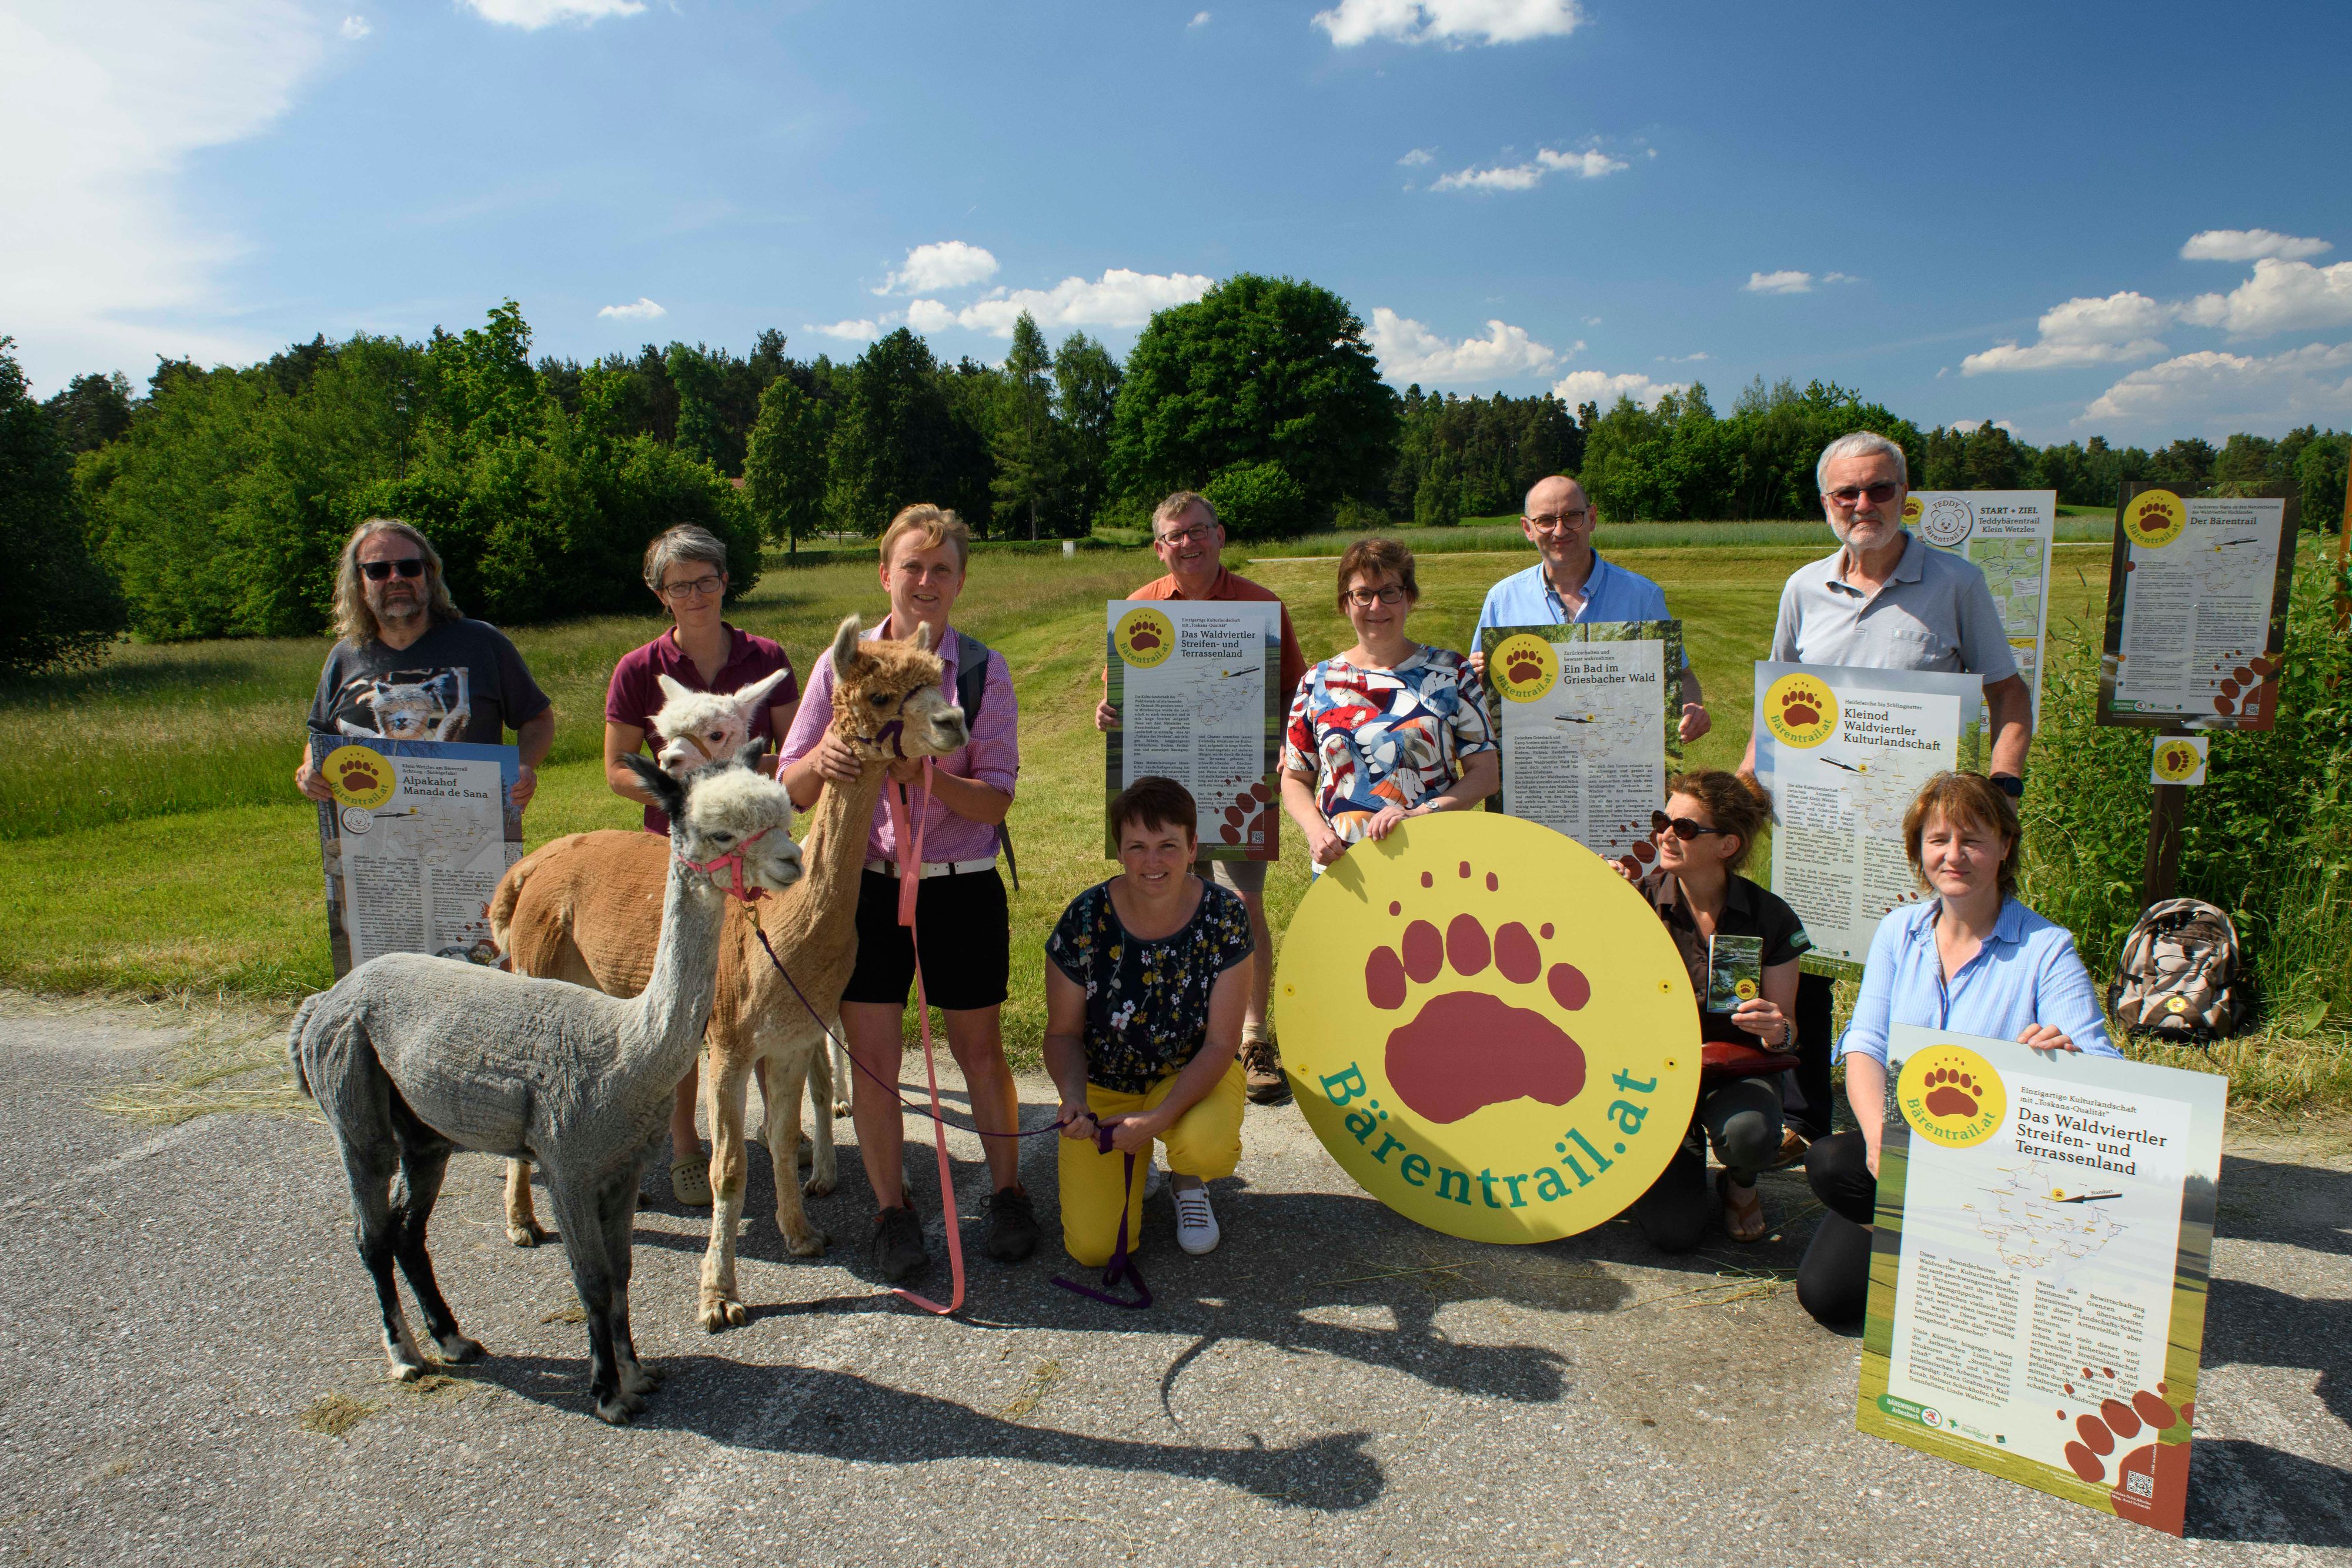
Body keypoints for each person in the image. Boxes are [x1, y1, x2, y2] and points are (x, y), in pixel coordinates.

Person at [1742, 430, 2039, 1151]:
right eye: (1847, 492)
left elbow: (2008, 693)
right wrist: (1745, 784)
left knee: (1922, 961)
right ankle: (1804, 1118)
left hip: (1921, 828)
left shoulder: (1956, 583)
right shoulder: (1803, 587)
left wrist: (2002, 785)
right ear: (1826, 503)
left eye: (1879, 489)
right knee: (1805, 964)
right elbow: (1776, 703)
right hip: (1820, 817)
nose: (1863, 504)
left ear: (1906, 496)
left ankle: (1921, 1124)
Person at [778, 504, 1031, 1279]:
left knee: (979, 1049)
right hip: (867, 886)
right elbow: (790, 787)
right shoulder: (841, 664)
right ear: (886, 572)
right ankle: (893, 1211)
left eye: (943, 568)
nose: (927, 581)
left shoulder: (982, 670)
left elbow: (996, 798)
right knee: (877, 1060)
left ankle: (1011, 1192)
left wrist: (926, 774)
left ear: (960, 580)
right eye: (913, 566)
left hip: (960, 886)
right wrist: (827, 755)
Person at [1795, 771, 2117, 1328]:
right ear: (1919, 849)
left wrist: (2067, 1053)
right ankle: (1952, 1258)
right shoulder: (1899, 931)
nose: (1954, 855)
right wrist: (1878, 1141)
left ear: (2005, 846)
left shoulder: (2046, 947)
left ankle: (1967, 1256)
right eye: (1938, 839)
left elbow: (2106, 1069)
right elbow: (1866, 1045)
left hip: (2000, 1167)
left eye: (1972, 839)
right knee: (1826, 1285)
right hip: (1912, 1147)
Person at [604, 523, 800, 1208]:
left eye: (706, 580)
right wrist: (692, 793)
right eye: (678, 584)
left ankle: (780, 1127)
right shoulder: (638, 670)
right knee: (691, 996)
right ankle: (687, 1144)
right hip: (689, 856)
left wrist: (755, 778)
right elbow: (616, 770)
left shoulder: (766, 656)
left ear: (725, 581)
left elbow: (794, 745)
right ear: (660, 594)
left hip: (757, 847)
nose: (694, 594)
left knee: (766, 984)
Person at [1094, 491, 1308, 1105]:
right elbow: (1119, 692)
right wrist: (1107, 710)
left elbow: (1296, 693)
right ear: (1159, 547)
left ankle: (1252, 1037)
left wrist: (1285, 747)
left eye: (1197, 531)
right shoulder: (1139, 609)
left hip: (1239, 778)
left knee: (1243, 901)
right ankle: (1184, 1028)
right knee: (1166, 898)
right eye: (1174, 535)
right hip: (1163, 783)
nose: (1187, 543)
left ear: (1219, 535)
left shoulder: (1261, 606)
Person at [1046, 777, 1255, 1263]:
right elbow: (1061, 1033)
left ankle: (1189, 1181)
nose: (1153, 861)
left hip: (1191, 1072)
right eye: (1137, 846)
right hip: (1104, 1083)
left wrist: (1159, 1118)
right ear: (1119, 851)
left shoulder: (1225, 914)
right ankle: (1137, 1159)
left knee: (1206, 1147)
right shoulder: (1084, 917)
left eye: (1168, 845)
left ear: (1193, 847)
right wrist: (1073, 1097)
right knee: (1096, 1251)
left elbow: (1223, 1041)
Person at [1626, 771, 1810, 1251]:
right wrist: (1602, 902)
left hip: (1735, 1071)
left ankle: (1740, 1182)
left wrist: (1776, 1028)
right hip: (1654, 1076)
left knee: (1748, 1134)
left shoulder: (1771, 916)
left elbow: (1787, 1031)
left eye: (1685, 828)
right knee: (1673, 1233)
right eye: (1662, 819)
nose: (1666, 833)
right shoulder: (1638, 902)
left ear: (1728, 845)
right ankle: (1672, 1151)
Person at [298, 517, 552, 810]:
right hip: (368, 836)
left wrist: (522, 765)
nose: (395, 578)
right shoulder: (344, 657)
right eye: (378, 570)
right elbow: (320, 735)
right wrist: (309, 769)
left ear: (429, 574)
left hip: (473, 829)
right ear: (359, 582)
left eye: (409, 567)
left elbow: (538, 718)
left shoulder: (482, 643)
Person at [1279, 538, 1499, 865]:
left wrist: (1424, 814)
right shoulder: (1318, 681)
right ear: (1345, 603)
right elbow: (1296, 777)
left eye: (1389, 592)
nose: (1376, 607)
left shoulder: (1452, 672)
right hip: (1343, 868)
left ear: (1409, 597)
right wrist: (1315, 831)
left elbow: (1485, 772)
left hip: (1434, 861)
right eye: (1363, 594)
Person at [1471, 474, 1711, 744]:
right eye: (1546, 521)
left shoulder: (1643, 597)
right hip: (1538, 766)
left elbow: (1681, 676)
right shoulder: (1502, 600)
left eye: (1572, 516)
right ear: (1528, 529)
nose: (1560, 531)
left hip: (1620, 764)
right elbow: (1477, 695)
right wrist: (1475, 677)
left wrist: (1690, 708)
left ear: (1592, 518)